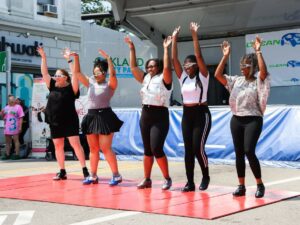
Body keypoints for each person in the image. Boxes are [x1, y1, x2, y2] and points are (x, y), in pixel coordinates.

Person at [214, 36, 269, 198]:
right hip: (236, 119)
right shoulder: (236, 80)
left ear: (252, 67)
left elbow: (263, 71)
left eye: (245, 66)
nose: (242, 68)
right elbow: (217, 75)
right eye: (240, 65)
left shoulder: (259, 80)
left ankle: (260, 184)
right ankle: (241, 185)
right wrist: (225, 55)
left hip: (253, 119)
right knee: (238, 152)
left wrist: (258, 51)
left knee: (248, 150)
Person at [124, 35, 173, 190]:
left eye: (153, 66)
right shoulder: (145, 78)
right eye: (148, 66)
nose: (150, 69)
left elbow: (166, 67)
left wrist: (166, 49)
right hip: (146, 114)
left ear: (158, 67)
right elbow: (133, 68)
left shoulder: (164, 78)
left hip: (160, 115)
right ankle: (147, 179)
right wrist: (132, 48)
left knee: (156, 148)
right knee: (147, 150)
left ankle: (167, 178)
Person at [36, 46, 89, 181]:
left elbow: (75, 75)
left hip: (70, 120)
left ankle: (85, 170)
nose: (56, 77)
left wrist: (69, 60)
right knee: (58, 146)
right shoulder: (52, 85)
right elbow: (44, 73)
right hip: (55, 121)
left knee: (75, 145)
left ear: (65, 78)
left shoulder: (72, 88)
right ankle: (62, 171)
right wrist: (43, 57)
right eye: (56, 75)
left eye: (59, 75)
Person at [72, 48, 123, 186]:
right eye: (95, 71)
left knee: (105, 148)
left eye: (99, 71)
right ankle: (93, 175)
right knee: (93, 149)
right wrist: (76, 57)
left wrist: (108, 59)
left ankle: (116, 175)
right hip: (91, 116)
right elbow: (76, 73)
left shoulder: (110, 84)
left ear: (104, 73)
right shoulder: (91, 83)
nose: (96, 73)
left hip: (105, 116)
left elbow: (113, 74)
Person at [171, 22, 212, 192]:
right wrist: (174, 39)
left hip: (201, 113)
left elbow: (199, 56)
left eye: (190, 65)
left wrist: (194, 35)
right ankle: (190, 182)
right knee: (188, 150)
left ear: (196, 65)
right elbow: (174, 60)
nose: (187, 68)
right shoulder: (183, 78)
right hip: (187, 114)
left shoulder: (203, 76)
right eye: (185, 66)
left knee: (197, 148)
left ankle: (205, 175)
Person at [1, 95, 24, 160]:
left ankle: (17, 154)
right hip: (7, 127)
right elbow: (3, 117)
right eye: (10, 101)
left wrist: (20, 127)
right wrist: (2, 113)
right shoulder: (6, 108)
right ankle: (7, 154)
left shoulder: (18, 107)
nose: (11, 102)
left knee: (16, 140)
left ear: (14, 101)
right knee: (7, 142)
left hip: (15, 126)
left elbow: (21, 117)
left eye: (12, 101)